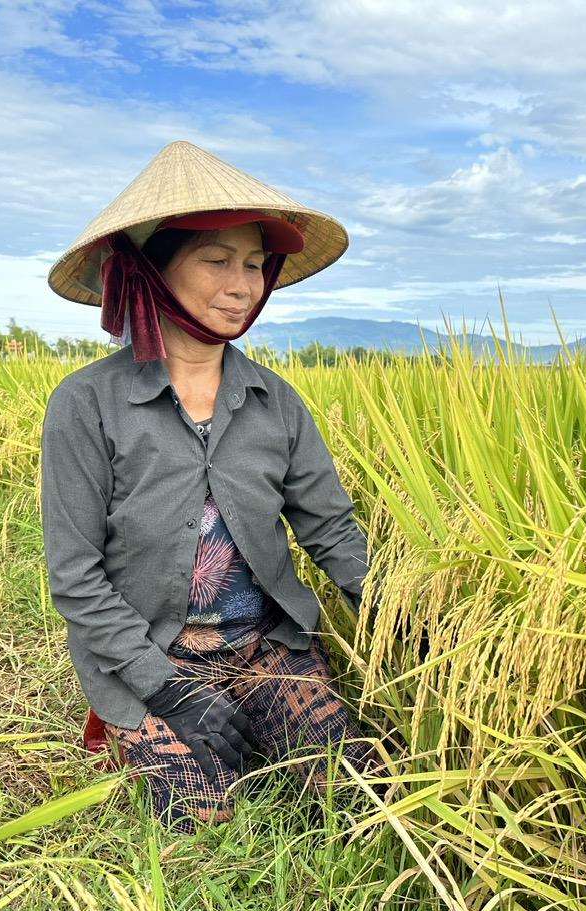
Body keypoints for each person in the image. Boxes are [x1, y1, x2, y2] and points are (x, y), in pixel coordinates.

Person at [42, 141, 373, 830]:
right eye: (217, 260)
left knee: (356, 789)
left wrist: (411, 617)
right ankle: (147, 727)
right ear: (155, 270)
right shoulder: (86, 403)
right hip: (151, 658)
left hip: (265, 647)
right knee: (201, 815)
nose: (242, 285)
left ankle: (266, 709)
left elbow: (331, 530)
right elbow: (75, 575)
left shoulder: (274, 401)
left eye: (254, 265)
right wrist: (169, 691)